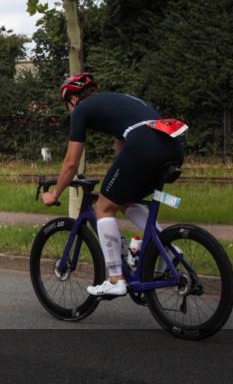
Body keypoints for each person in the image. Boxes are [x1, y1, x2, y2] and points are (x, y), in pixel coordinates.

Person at [40, 73, 186, 297]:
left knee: (103, 208)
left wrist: (55, 194)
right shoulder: (119, 101)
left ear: (73, 100)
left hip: (144, 146)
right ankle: (169, 249)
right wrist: (116, 182)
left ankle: (116, 278)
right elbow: (122, 148)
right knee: (124, 200)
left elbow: (71, 163)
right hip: (173, 145)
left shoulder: (81, 109)